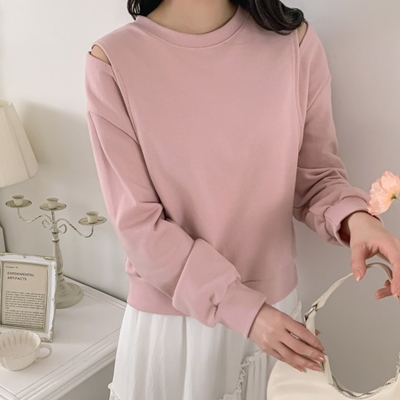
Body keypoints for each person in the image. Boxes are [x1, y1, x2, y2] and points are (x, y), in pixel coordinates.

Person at [84, 1, 385, 399]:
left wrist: (357, 219)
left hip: (276, 321)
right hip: (177, 325)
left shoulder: (293, 43)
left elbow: (315, 175)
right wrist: (245, 311)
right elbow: (140, 227)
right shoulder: (113, 61)